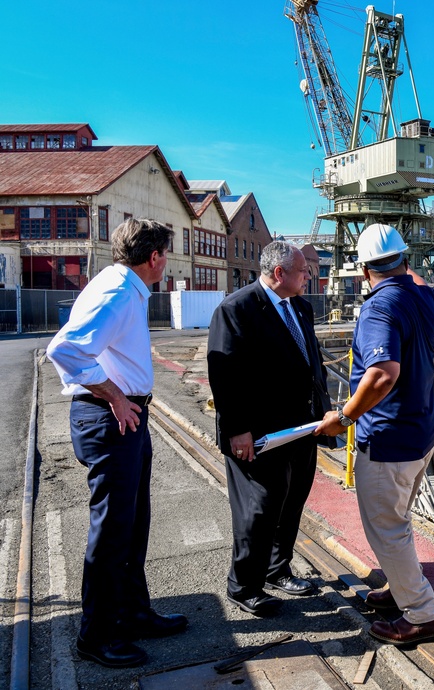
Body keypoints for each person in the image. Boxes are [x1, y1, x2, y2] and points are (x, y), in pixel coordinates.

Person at [47, 218, 186, 668]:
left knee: (131, 523)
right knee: (110, 531)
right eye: (166, 253)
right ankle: (97, 636)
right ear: (155, 257)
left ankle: (132, 612)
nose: (167, 261)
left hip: (123, 417)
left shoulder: (123, 284)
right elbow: (65, 350)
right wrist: (115, 396)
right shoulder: (118, 292)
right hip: (110, 419)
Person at [315, 223, 434, 646]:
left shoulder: (379, 308)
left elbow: (383, 374)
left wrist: (345, 417)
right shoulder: (422, 295)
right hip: (421, 431)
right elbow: (416, 277)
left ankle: (422, 615)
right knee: (399, 518)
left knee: (386, 528)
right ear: (406, 261)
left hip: (389, 438)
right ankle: (401, 587)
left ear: (364, 269)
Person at [207, 241, 331, 617]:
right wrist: (237, 430)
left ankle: (278, 569)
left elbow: (312, 365)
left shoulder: (301, 307)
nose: (309, 276)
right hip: (258, 434)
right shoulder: (237, 309)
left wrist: (324, 414)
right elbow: (224, 375)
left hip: (303, 428)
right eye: (303, 270)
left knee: (291, 501)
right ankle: (244, 586)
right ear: (280, 273)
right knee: (257, 509)